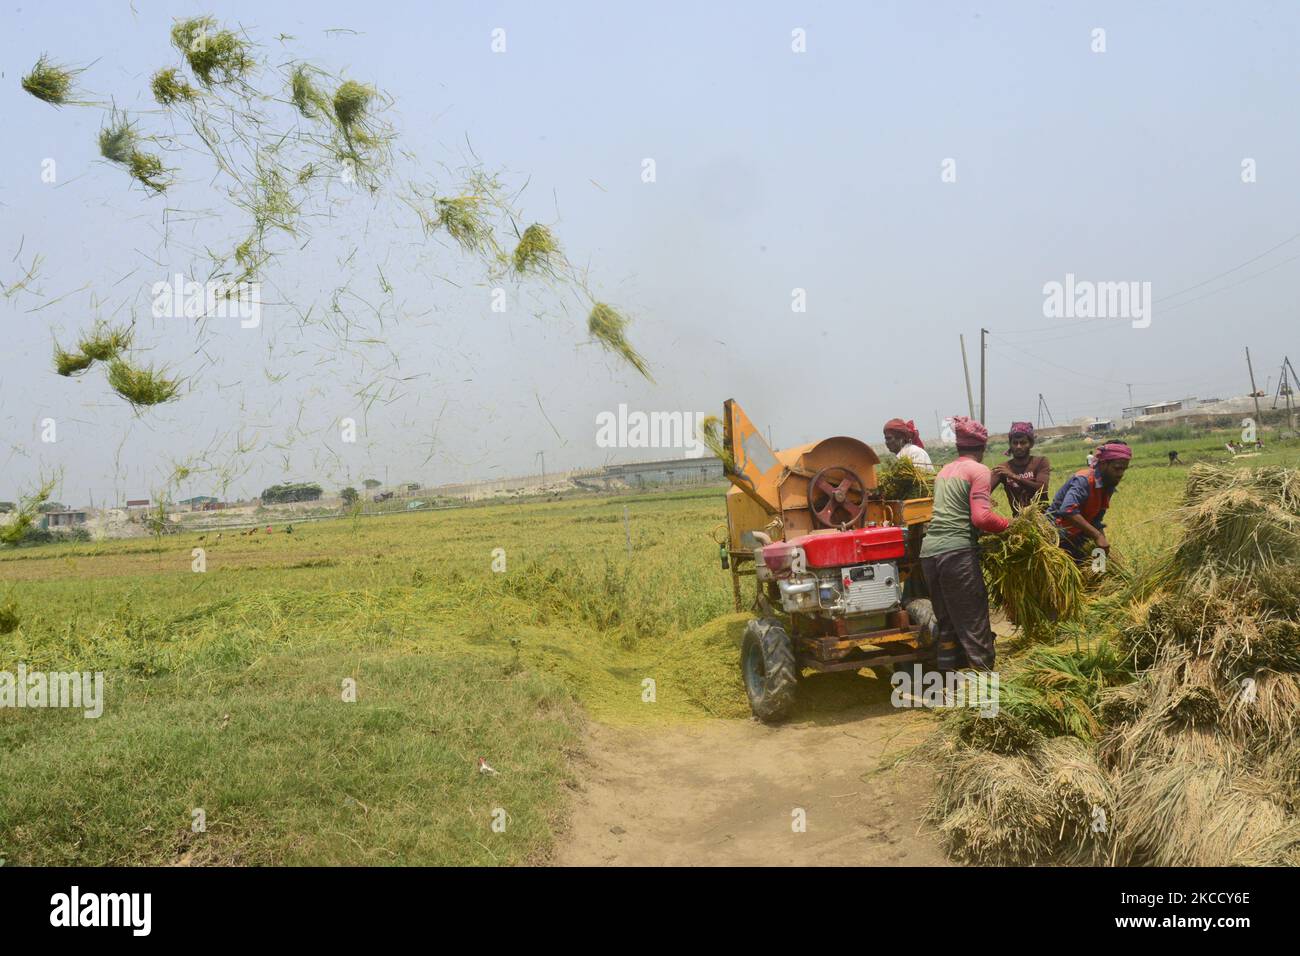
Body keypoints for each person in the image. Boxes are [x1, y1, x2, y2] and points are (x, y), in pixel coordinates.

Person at [918, 416, 1009, 672]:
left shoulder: (944, 471)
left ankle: (948, 694)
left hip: (929, 556)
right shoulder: (979, 471)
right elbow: (981, 517)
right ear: (981, 448)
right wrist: (1010, 525)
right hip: (956, 554)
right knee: (974, 625)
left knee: (947, 626)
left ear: (959, 446)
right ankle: (986, 699)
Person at [1048, 440, 1132, 562]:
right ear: (1103, 464)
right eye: (1117, 468)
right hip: (1056, 534)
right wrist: (1097, 536)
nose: (1121, 474)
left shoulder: (1108, 486)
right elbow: (1068, 509)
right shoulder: (1084, 480)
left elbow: (1096, 519)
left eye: (1124, 469)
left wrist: (1103, 545)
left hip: (1077, 535)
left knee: (1098, 568)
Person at [989, 421, 1051, 515]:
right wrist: (985, 499)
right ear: (1010, 444)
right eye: (1015, 443)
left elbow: (1042, 489)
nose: (1018, 446)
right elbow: (982, 491)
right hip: (1019, 521)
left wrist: (1014, 476)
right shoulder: (1003, 468)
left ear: (1031, 444)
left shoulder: (1040, 462)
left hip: (1043, 518)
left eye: (1023, 443)